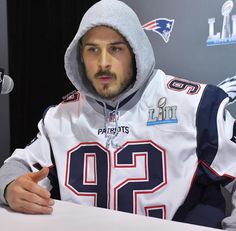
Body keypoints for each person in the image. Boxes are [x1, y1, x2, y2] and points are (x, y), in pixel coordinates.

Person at [0, 0, 236, 229]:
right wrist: (10, 187)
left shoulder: (196, 105)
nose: (103, 63)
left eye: (115, 49)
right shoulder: (60, 117)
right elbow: (18, 165)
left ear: (136, 51)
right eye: (93, 50)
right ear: (80, 56)